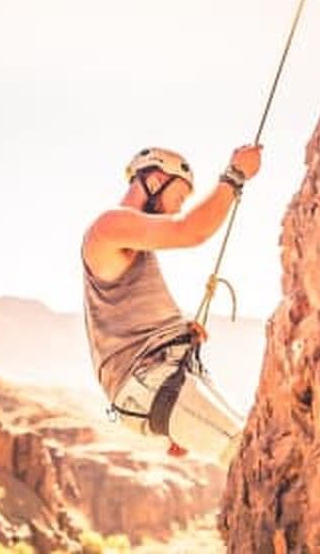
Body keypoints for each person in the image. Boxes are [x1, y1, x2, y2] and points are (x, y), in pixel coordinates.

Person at [81, 145, 262, 468]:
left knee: (259, 439)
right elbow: (190, 230)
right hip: (152, 382)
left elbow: (131, 321)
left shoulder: (131, 244)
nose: (175, 210)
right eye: (178, 198)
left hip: (164, 380)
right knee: (255, 455)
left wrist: (179, 333)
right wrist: (235, 175)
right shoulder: (108, 226)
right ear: (155, 181)